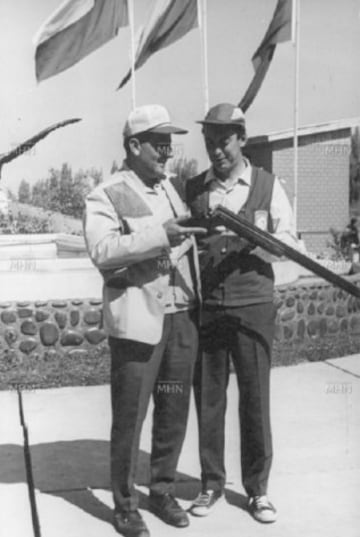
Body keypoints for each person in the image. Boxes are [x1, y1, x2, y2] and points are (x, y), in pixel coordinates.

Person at [83, 104, 206, 537]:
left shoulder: (171, 189)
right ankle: (125, 505)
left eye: (170, 142)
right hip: (138, 322)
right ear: (134, 145)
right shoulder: (107, 193)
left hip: (181, 317)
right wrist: (161, 236)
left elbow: (184, 241)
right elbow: (102, 252)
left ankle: (162, 489)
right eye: (159, 142)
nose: (168, 151)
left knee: (173, 411)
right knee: (130, 416)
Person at [186, 103, 298, 524]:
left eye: (225, 141)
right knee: (209, 399)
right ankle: (211, 483)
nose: (217, 150)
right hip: (210, 309)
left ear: (242, 139)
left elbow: (286, 244)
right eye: (210, 141)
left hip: (253, 308)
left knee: (255, 399)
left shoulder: (268, 186)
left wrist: (250, 239)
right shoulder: (195, 188)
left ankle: (258, 490)